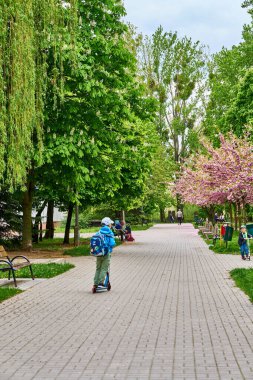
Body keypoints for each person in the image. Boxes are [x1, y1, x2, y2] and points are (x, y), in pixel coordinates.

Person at [92, 217, 116, 292]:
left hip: (98, 253)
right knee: (104, 268)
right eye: (110, 223)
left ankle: (95, 283)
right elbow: (112, 243)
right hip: (106, 253)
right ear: (108, 224)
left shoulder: (99, 232)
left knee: (98, 268)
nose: (111, 225)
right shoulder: (109, 232)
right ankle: (100, 282)